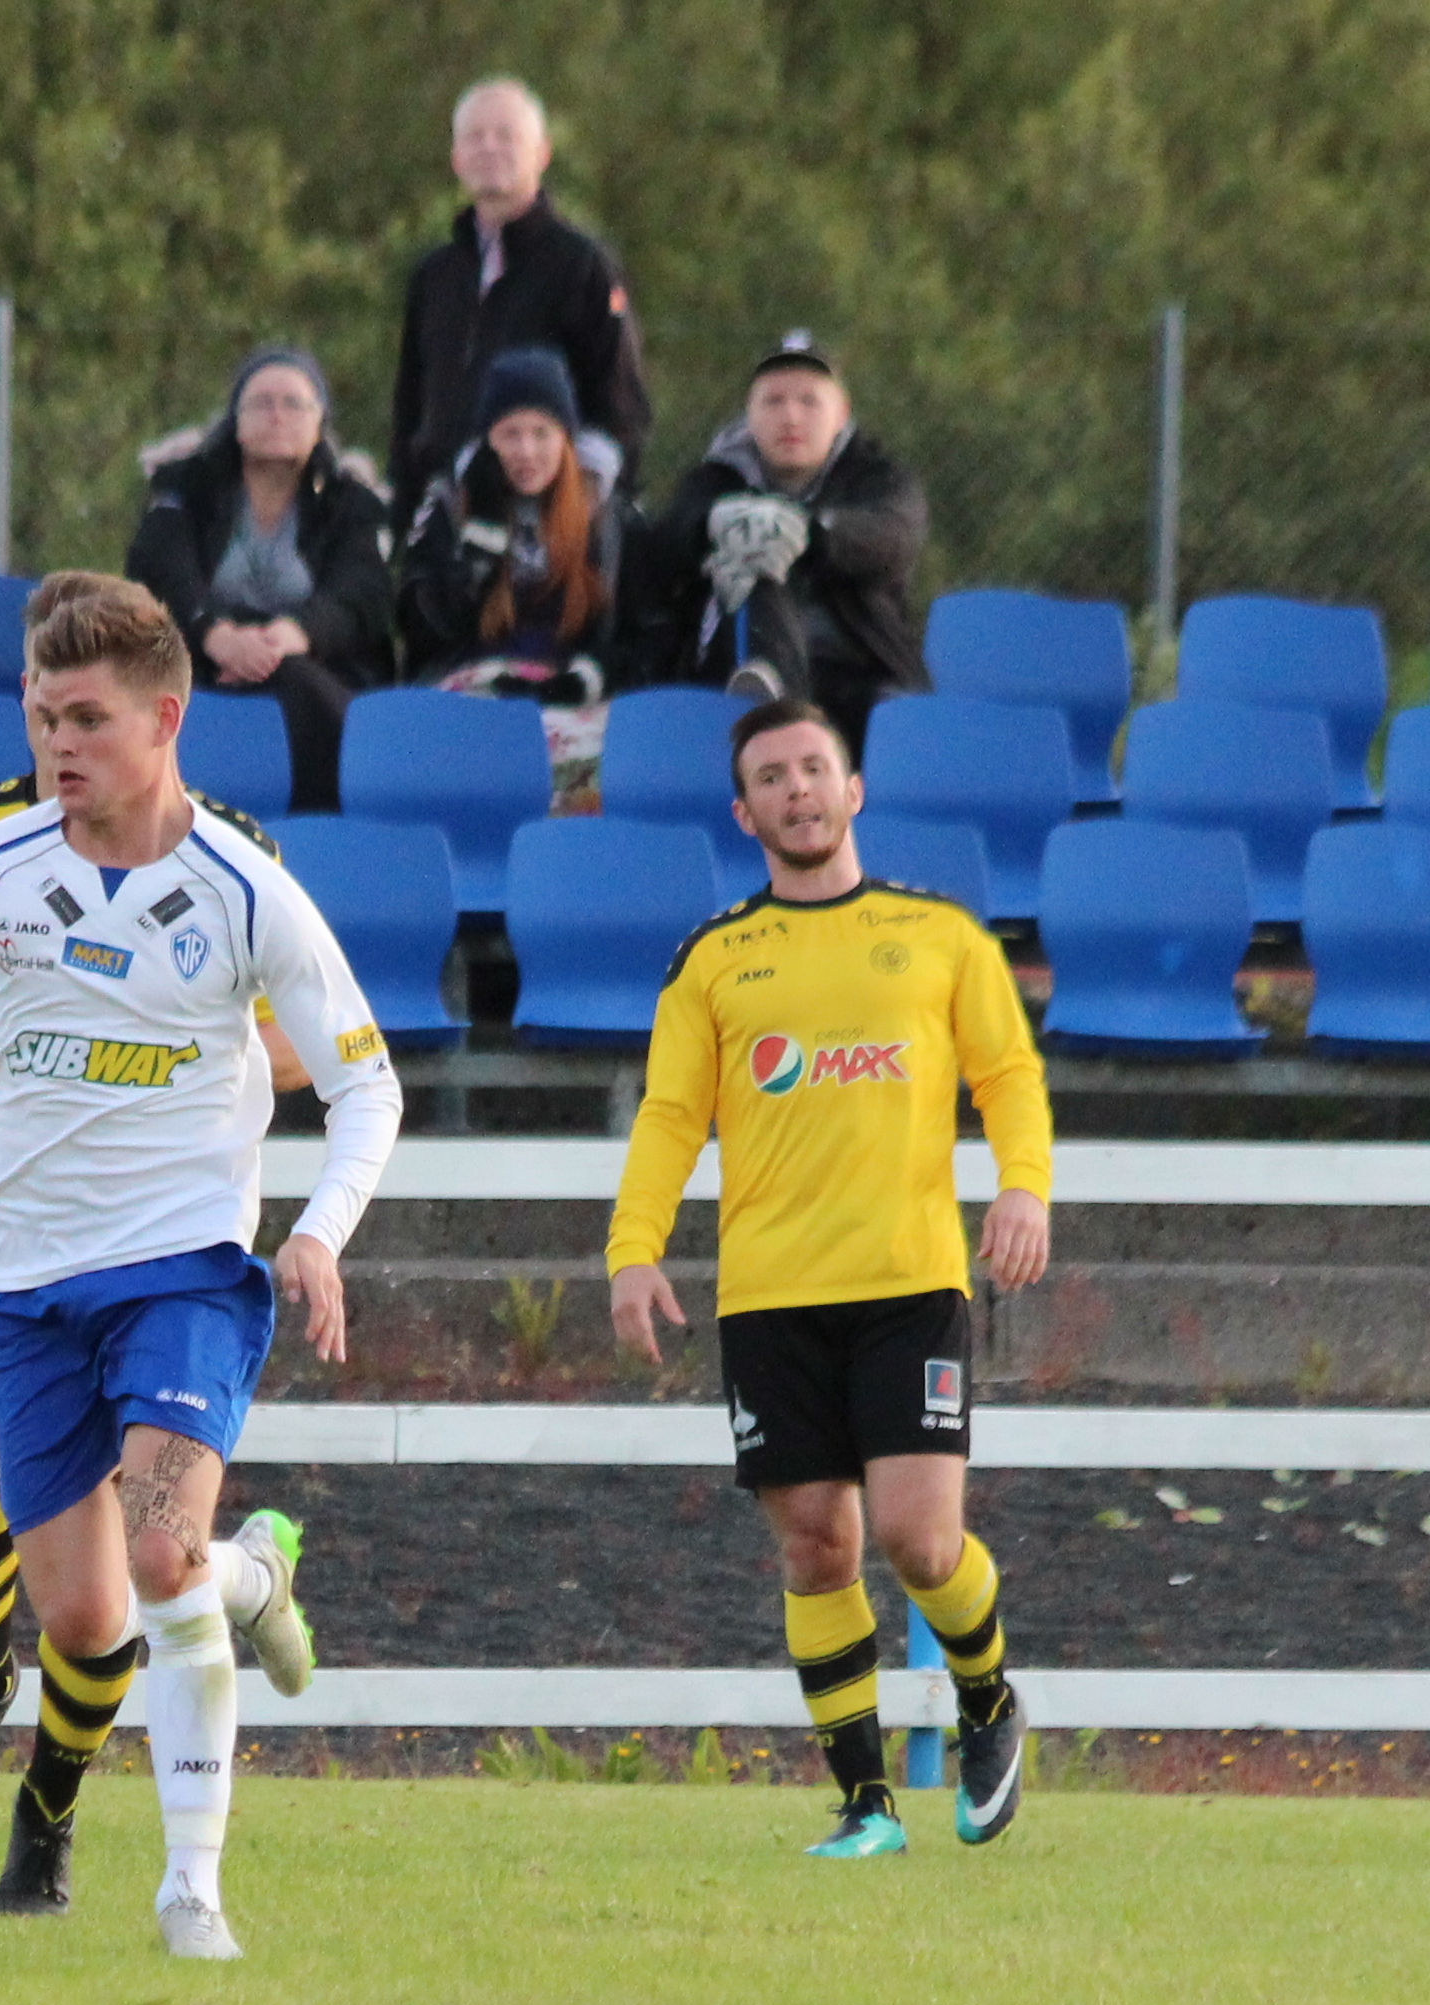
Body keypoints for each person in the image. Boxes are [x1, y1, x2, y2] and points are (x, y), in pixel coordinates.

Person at [0, 576, 400, 1958]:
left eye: (88, 717)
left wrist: (318, 1232)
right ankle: (252, 1577)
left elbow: (367, 1082)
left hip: (183, 1277)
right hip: (25, 1293)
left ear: (166, 720)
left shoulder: (243, 888)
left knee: (155, 1553)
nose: (59, 742)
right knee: (89, 1615)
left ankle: (190, 1890)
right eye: (44, 715)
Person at [604, 696, 1052, 1858]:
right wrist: (632, 1250)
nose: (796, 789)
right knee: (815, 1543)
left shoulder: (940, 935)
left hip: (908, 1282)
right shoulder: (714, 959)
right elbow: (670, 1115)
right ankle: (867, 1805)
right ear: (744, 812)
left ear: (852, 791)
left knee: (918, 1539)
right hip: (771, 1297)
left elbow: (1008, 1074)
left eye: (814, 768)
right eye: (772, 776)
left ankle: (989, 1702)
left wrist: (1023, 1186)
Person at [124, 347, 394, 810]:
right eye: (262, 403)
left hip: (314, 668)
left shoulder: (351, 503)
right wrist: (214, 634)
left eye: (294, 404)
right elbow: (161, 570)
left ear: (319, 423)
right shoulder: (184, 487)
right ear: (236, 419)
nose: (277, 416)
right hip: (200, 662)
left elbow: (362, 592)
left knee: (300, 684)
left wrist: (296, 634)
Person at [635, 335, 928, 761]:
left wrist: (808, 535)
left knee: (766, 541)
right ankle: (777, 705)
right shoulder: (714, 480)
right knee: (752, 558)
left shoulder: (878, 477)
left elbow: (893, 538)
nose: (791, 417)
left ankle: (786, 723)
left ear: (841, 414)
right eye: (773, 401)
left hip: (858, 672)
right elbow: (665, 545)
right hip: (733, 670)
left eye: (809, 401)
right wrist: (715, 525)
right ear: (749, 413)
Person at [388, 77, 652, 511]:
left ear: (542, 153)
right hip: (445, 514)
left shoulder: (582, 266)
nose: (489, 147)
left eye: (506, 135)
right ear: (456, 158)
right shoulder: (435, 274)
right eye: (475, 137)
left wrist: (584, 508)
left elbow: (619, 406)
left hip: (546, 517)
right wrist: (405, 509)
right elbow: (410, 408)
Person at [396, 347, 638, 701]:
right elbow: (424, 631)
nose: (526, 451)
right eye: (510, 434)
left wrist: (586, 677)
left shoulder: (606, 515)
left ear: (566, 439)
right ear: (487, 440)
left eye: (541, 433)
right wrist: (481, 542)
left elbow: (632, 633)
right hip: (469, 688)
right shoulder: (448, 506)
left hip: (572, 691)